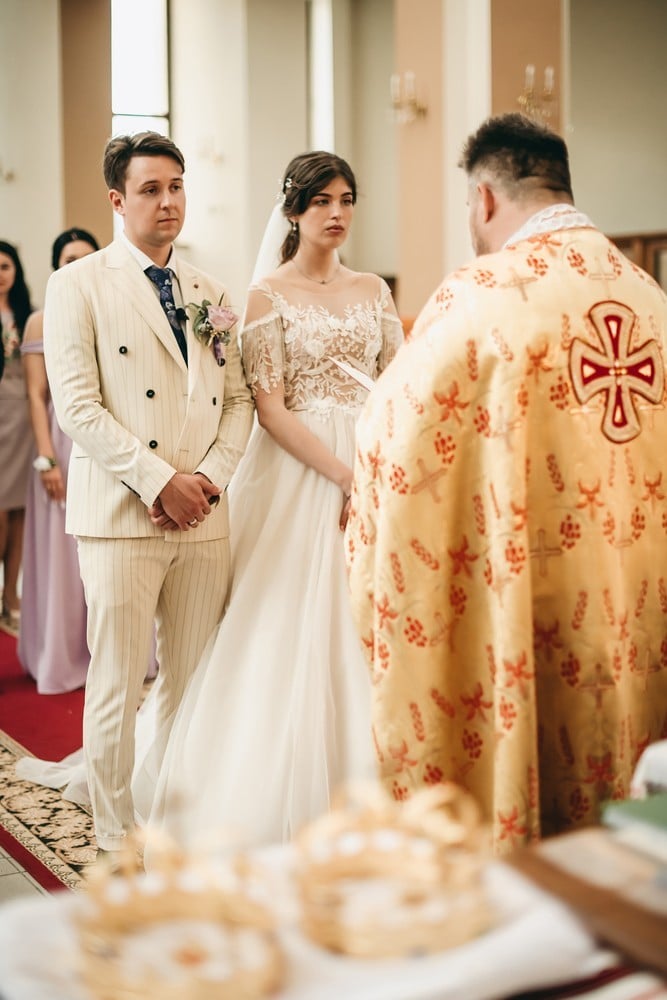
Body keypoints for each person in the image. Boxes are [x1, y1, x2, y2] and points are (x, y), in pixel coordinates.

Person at [346, 113, 667, 854]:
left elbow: (390, 437)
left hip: (534, 610)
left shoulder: (482, 297)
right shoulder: (648, 296)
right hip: (639, 607)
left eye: (467, 207)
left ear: (484, 201)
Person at [41, 131, 254, 863]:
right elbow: (76, 406)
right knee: (117, 683)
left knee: (192, 684)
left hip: (202, 519)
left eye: (177, 186)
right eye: (151, 189)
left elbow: (239, 403)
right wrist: (161, 481)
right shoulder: (79, 284)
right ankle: (111, 829)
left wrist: (209, 481)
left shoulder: (211, 293)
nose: (169, 202)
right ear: (116, 200)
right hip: (122, 518)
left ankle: (174, 808)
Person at [18, 228, 100, 693]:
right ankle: (59, 653)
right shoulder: (40, 320)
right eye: (69, 258)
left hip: (101, 444)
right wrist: (47, 460)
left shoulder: (107, 308)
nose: (77, 266)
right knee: (61, 559)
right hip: (60, 446)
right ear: (56, 265)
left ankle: (103, 651)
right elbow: (35, 394)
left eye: (86, 258)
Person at [0, 240, 34, 636]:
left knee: (21, 507)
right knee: (2, 509)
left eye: (6, 265)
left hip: (23, 414)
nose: (1, 273)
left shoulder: (30, 314)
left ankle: (12, 593)